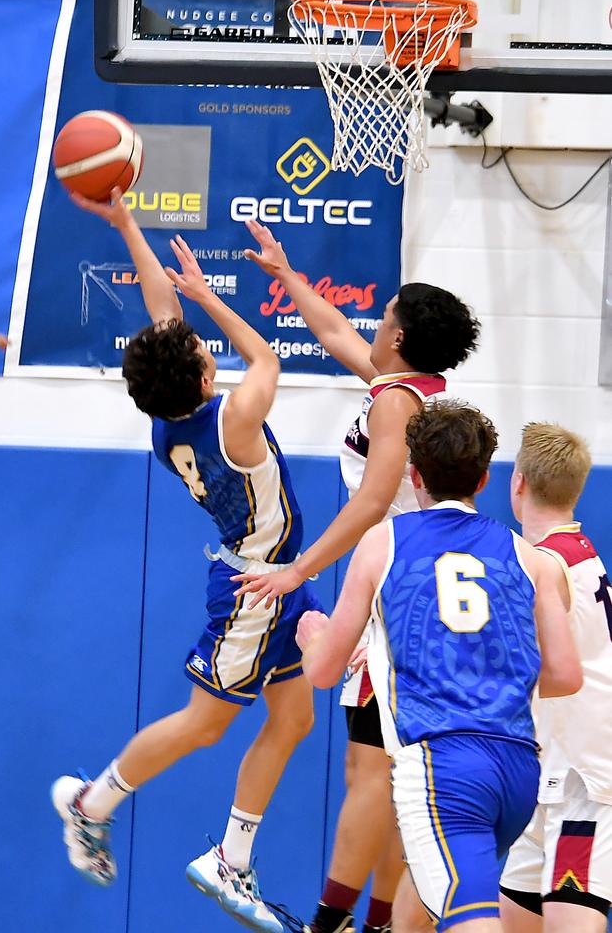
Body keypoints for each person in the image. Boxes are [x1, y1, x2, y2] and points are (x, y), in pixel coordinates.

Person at [51, 189, 321, 933]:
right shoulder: (234, 423)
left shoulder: (167, 423)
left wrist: (128, 225)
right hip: (254, 586)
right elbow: (264, 354)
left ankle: (233, 859)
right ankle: (91, 802)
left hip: (277, 579)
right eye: (204, 350)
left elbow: (161, 314)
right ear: (204, 379)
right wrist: (211, 296)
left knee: (293, 717)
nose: (205, 342)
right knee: (206, 723)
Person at [238, 221, 480, 933]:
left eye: (388, 315)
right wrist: (286, 276)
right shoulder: (411, 388)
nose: (376, 322)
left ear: (400, 337)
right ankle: (375, 922)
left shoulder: (394, 403)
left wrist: (296, 570)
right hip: (419, 597)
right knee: (395, 780)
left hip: (400, 604)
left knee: (372, 777)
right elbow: (338, 332)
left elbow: (375, 499)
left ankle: (337, 921)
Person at [295, 401, 582, 933]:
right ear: (484, 478)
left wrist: (313, 638)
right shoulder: (534, 559)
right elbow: (566, 676)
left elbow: (325, 672)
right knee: (423, 907)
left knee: (466, 918)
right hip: (518, 771)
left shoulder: (382, 543)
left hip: (442, 768)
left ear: (413, 474)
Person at [500, 424, 612, 933]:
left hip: (583, 777)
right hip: (549, 768)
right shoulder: (578, 552)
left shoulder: (546, 564)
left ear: (517, 483)